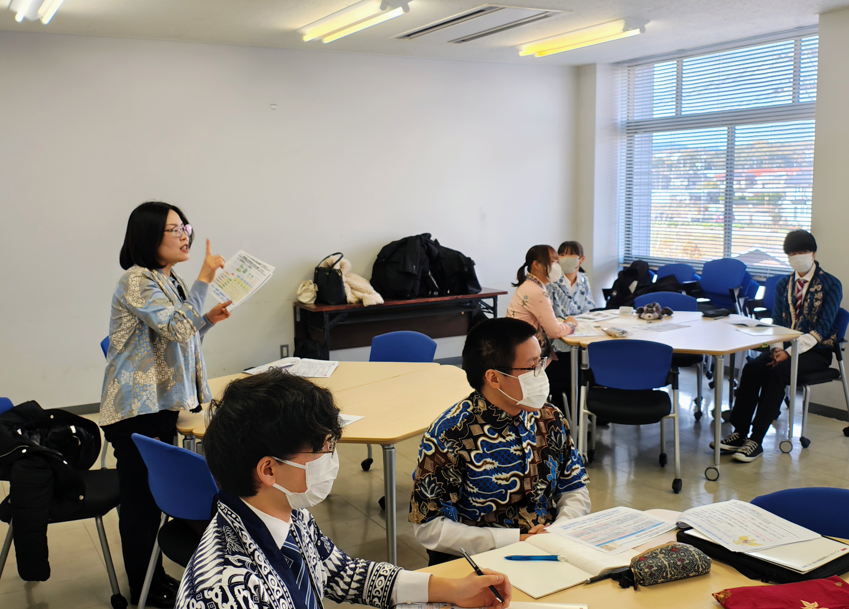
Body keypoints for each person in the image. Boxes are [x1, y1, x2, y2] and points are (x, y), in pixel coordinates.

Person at [178, 370, 513, 609]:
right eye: (323, 447)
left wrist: (451, 589)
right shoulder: (226, 590)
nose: (331, 456)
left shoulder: (284, 511)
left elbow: (341, 572)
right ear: (269, 470)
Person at [99, 201, 232, 607]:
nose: (184, 236)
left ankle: (153, 581)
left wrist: (206, 320)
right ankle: (145, 586)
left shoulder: (169, 279)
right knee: (140, 504)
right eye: (174, 230)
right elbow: (175, 327)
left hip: (158, 406)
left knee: (153, 500)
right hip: (135, 411)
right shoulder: (136, 280)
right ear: (148, 237)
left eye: (184, 228)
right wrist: (205, 279)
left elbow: (182, 338)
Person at [409, 318, 590, 566]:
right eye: (531, 367)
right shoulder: (450, 434)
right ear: (494, 378)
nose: (541, 374)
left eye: (541, 362)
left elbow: (574, 488)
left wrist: (559, 530)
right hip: (481, 561)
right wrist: (517, 540)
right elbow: (429, 528)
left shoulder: (550, 417)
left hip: (552, 548)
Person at [714, 230, 842, 463]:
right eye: (792, 253)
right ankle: (739, 432)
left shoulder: (831, 284)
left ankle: (756, 440)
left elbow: (823, 328)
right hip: (784, 348)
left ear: (813, 253)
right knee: (753, 368)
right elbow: (778, 324)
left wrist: (790, 353)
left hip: (816, 352)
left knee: (778, 372)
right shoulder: (784, 284)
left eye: (802, 252)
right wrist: (778, 349)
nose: (797, 257)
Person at [507, 245, 577, 413]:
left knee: (569, 362)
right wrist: (571, 325)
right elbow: (555, 332)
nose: (557, 266)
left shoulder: (528, 285)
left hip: (518, 354)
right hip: (528, 363)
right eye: (553, 261)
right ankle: (569, 420)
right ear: (536, 264)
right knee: (577, 370)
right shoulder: (536, 291)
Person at [547, 241, 596, 318]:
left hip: (580, 322)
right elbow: (547, 310)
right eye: (562, 255)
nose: (566, 258)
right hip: (557, 323)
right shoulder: (551, 280)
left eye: (571, 254)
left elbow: (587, 308)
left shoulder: (584, 279)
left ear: (582, 259)